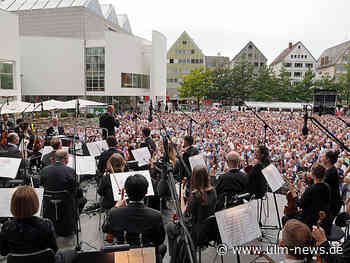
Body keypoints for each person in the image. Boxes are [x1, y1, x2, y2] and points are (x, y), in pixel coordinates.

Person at [0, 186, 76, 263]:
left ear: (13, 205)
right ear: (34, 204)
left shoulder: (6, 227)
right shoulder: (46, 224)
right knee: (73, 253)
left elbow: (3, 252)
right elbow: (54, 250)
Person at [102, 174, 166, 263]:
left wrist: (115, 207)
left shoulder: (114, 213)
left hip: (122, 255)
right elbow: (159, 240)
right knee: (162, 248)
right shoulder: (156, 215)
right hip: (145, 256)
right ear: (146, 192)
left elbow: (105, 229)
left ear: (127, 193)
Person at [166, 166, 217, 262]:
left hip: (196, 233)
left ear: (194, 178)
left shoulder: (195, 195)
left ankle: (175, 257)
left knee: (169, 227)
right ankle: (179, 254)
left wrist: (180, 196)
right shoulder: (213, 191)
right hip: (210, 230)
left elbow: (183, 214)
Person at [40, 150, 78, 246]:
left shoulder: (45, 170)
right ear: (66, 159)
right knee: (80, 199)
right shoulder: (70, 171)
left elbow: (42, 185)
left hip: (49, 203)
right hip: (65, 203)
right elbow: (74, 190)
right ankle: (72, 223)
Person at [284, 165, 332, 235]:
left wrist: (293, 192)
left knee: (285, 218)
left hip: (309, 220)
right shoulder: (327, 187)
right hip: (322, 220)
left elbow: (300, 204)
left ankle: (292, 239)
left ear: (313, 175)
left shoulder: (311, 189)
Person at [322, 151, 342, 223]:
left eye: (323, 156)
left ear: (327, 159)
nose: (322, 157)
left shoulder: (331, 173)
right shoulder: (331, 170)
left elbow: (320, 185)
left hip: (332, 206)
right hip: (332, 204)